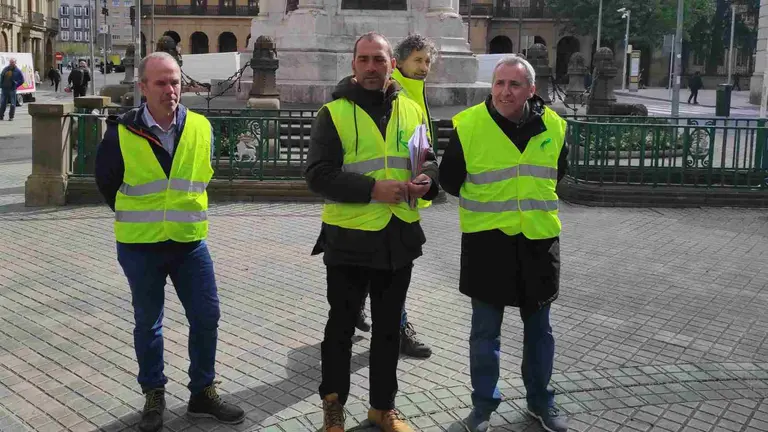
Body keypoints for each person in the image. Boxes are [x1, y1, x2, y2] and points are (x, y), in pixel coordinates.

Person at [94, 51, 245, 432]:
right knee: (148, 323)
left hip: (189, 242)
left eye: (175, 81)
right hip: (140, 245)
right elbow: (108, 183)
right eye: (160, 82)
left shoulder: (200, 127)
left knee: (207, 316)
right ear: (143, 87)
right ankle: (154, 394)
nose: (170, 89)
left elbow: (204, 173)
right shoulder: (121, 132)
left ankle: (202, 393)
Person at [305, 31, 440, 432]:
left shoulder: (412, 110)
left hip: (398, 237)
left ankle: (383, 408)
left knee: (387, 331)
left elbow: (428, 159)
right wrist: (372, 189)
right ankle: (333, 405)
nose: (371, 67)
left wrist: (426, 181)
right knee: (341, 328)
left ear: (391, 64)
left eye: (378, 60)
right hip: (349, 238)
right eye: (363, 60)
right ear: (353, 65)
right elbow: (318, 176)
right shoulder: (333, 113)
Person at [440, 54, 569, 432]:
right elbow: (449, 180)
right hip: (487, 245)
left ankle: (540, 401)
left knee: (540, 332)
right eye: (499, 83)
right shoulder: (469, 125)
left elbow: (557, 172)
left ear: (532, 90)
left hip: (538, 243)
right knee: (484, 333)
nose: (505, 91)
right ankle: (482, 406)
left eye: (514, 84)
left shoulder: (556, 127)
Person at [351, 33, 437, 359]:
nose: (424, 67)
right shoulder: (392, 91)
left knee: (386, 270)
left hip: (403, 200)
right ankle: (398, 329)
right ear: (399, 62)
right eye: (418, 60)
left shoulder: (414, 92)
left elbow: (422, 146)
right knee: (386, 270)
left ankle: (364, 306)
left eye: (427, 61)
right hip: (374, 201)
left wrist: (427, 178)